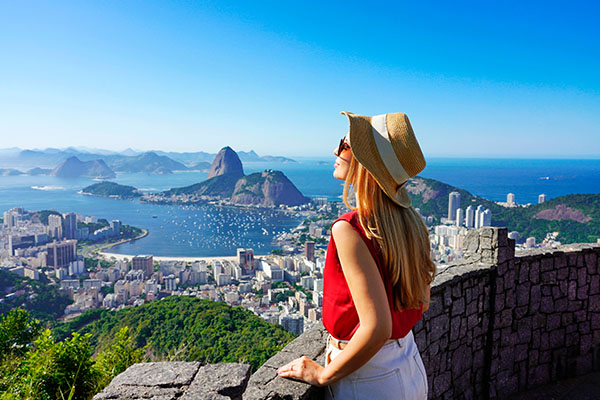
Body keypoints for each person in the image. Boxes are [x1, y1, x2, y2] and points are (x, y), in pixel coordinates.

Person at [277, 111, 436, 399]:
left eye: (345, 145)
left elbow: (377, 328)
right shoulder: (411, 223)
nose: (335, 151)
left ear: (367, 163)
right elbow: (422, 302)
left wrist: (323, 374)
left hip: (366, 376)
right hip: (408, 365)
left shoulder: (350, 229)